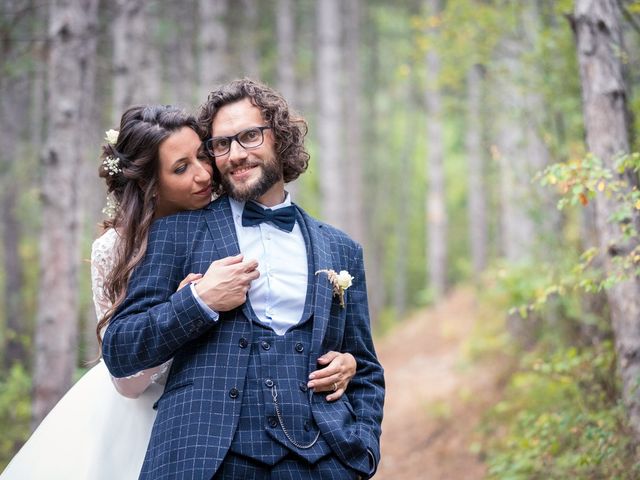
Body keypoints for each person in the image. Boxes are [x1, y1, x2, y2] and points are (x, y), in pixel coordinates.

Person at [0, 104, 357, 480]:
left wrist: (345, 361)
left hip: (245, 426)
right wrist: (192, 303)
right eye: (180, 168)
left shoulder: (238, 218)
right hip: (152, 420)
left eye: (203, 156)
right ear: (149, 182)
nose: (204, 174)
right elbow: (125, 376)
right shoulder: (116, 248)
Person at [102, 79, 385, 480]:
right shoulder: (174, 233)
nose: (235, 155)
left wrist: (364, 448)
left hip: (326, 461)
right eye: (220, 144)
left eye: (249, 136)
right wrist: (198, 301)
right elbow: (120, 348)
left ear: (279, 138)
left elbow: (368, 369)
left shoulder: (342, 250)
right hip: (204, 459)